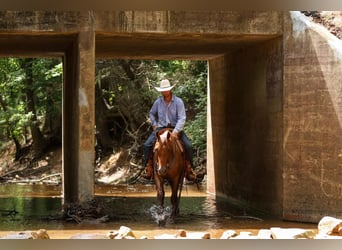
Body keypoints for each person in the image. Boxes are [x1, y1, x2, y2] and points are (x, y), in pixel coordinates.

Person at [141, 79, 200, 182]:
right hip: (160, 128)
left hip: (175, 128)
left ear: (170, 90)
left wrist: (176, 131)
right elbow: (151, 113)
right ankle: (148, 169)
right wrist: (154, 124)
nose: (164, 92)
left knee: (188, 146)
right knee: (147, 145)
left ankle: (189, 169)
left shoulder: (178, 102)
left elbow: (182, 118)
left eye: (166, 90)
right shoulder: (158, 102)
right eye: (163, 90)